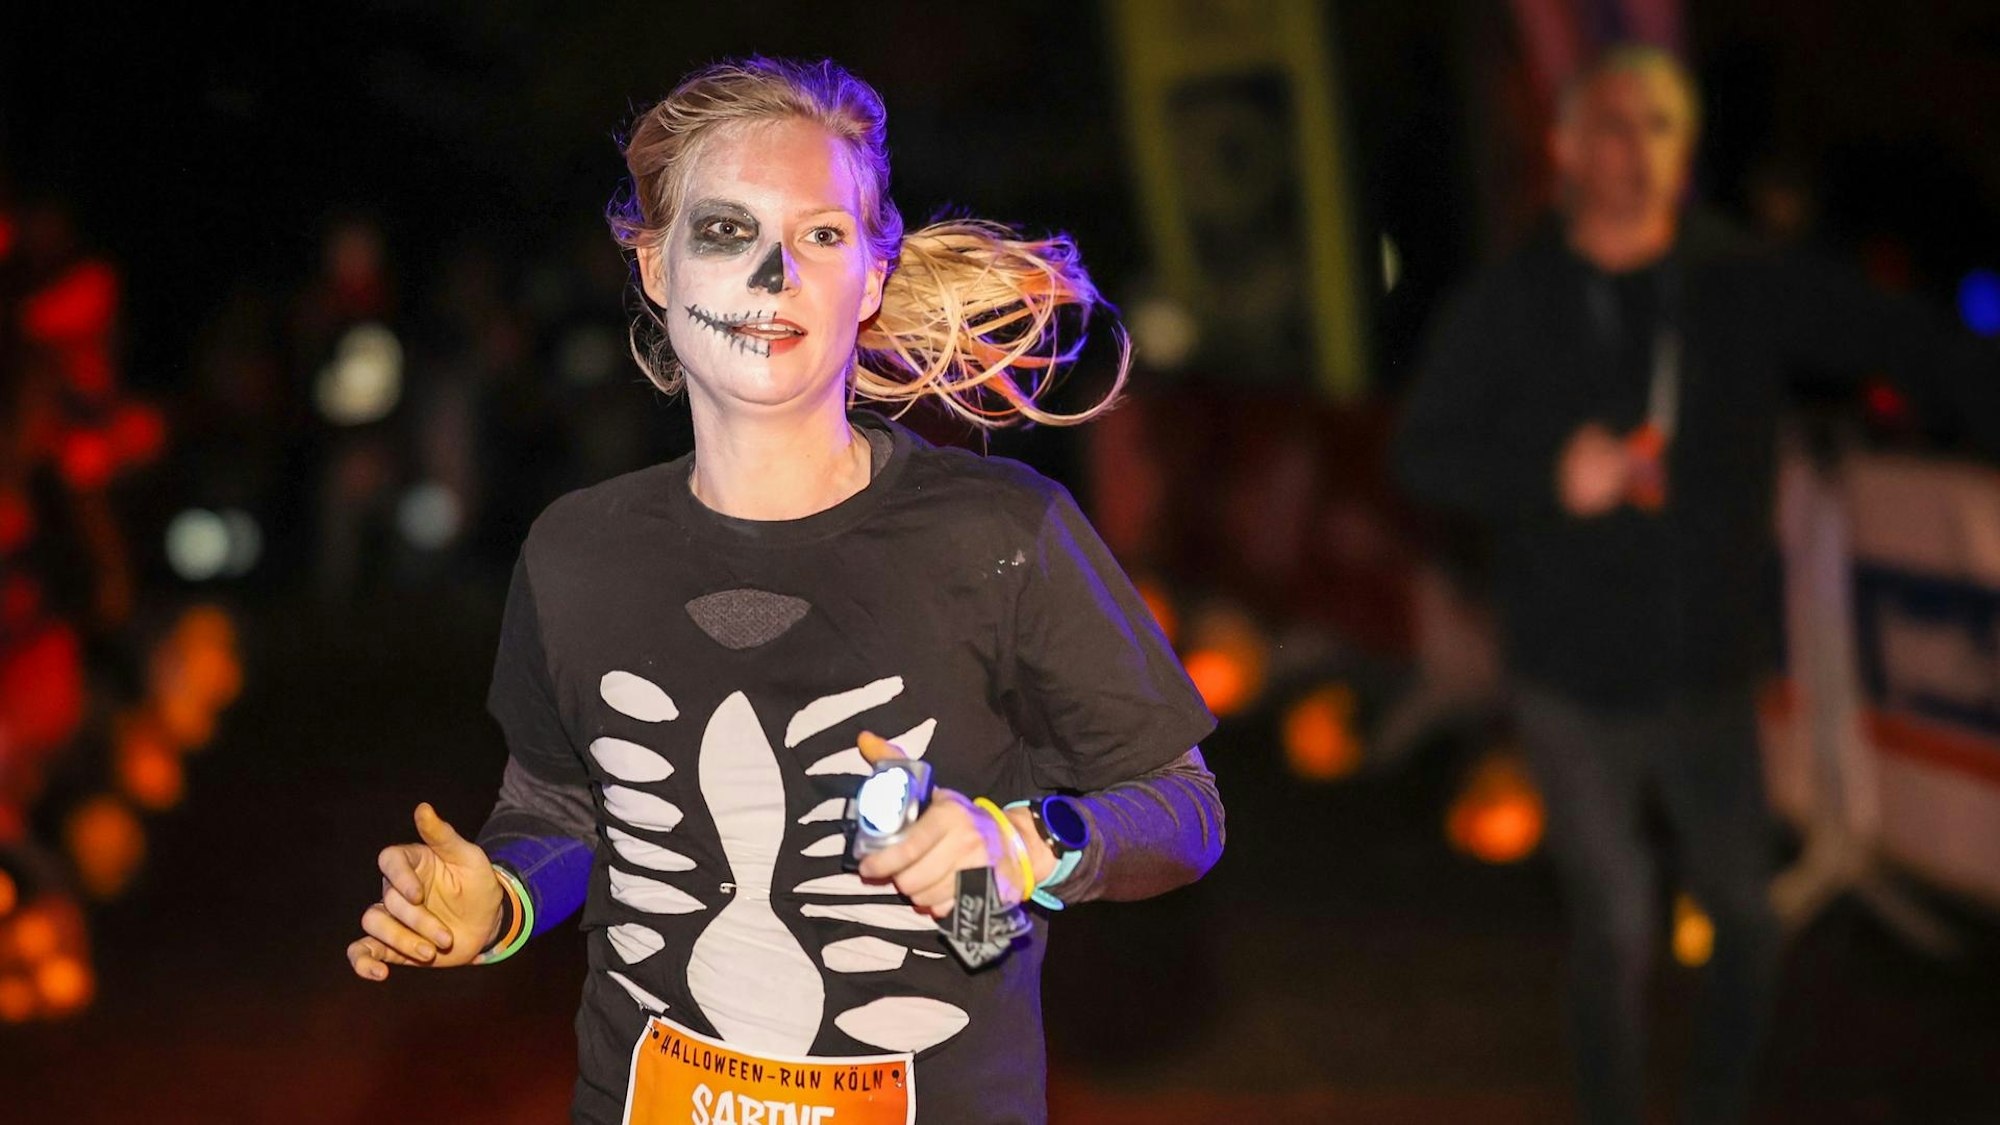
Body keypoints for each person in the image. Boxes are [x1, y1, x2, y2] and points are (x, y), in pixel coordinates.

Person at [342, 56, 1224, 1125]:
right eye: (725, 231)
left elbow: (1181, 811)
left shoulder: (999, 533)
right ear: (654, 267)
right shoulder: (577, 550)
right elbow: (563, 802)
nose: (774, 277)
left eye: (819, 235)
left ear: (873, 275)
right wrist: (508, 900)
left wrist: (1022, 847)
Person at [1394, 43, 1998, 1125]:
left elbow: (1916, 345)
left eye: (1659, 128)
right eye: (1611, 128)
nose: (1634, 152)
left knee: (1745, 918)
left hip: (1706, 668)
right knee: (1618, 923)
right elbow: (1419, 454)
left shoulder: (1738, 283)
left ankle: (1714, 1104)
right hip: (1567, 671)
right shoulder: (1510, 301)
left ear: (1684, 155)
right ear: (1568, 148)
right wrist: (1545, 475)